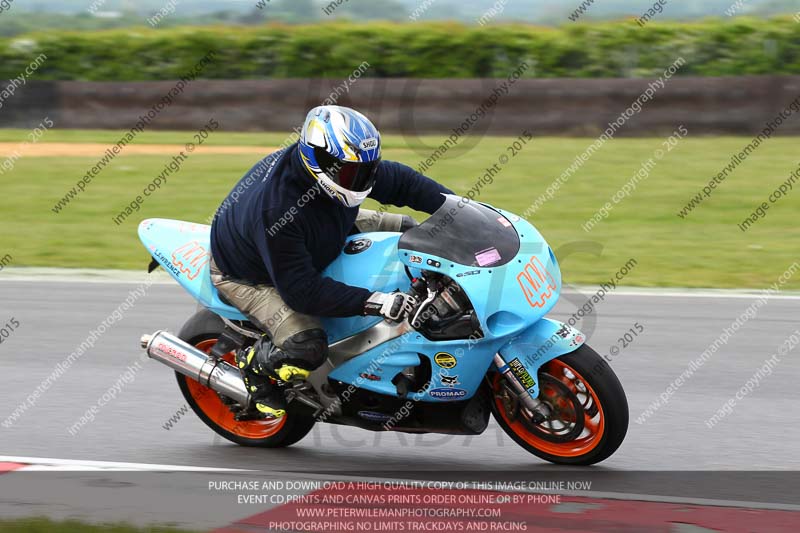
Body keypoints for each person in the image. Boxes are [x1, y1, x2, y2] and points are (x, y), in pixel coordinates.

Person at [209, 105, 453, 418]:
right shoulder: (278, 211)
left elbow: (407, 184)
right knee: (306, 346)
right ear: (319, 161)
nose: (363, 179)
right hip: (250, 274)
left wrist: (461, 209)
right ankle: (254, 364)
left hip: (324, 225)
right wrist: (376, 301)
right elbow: (302, 291)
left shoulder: (345, 171)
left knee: (415, 232)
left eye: (368, 170)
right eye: (353, 173)